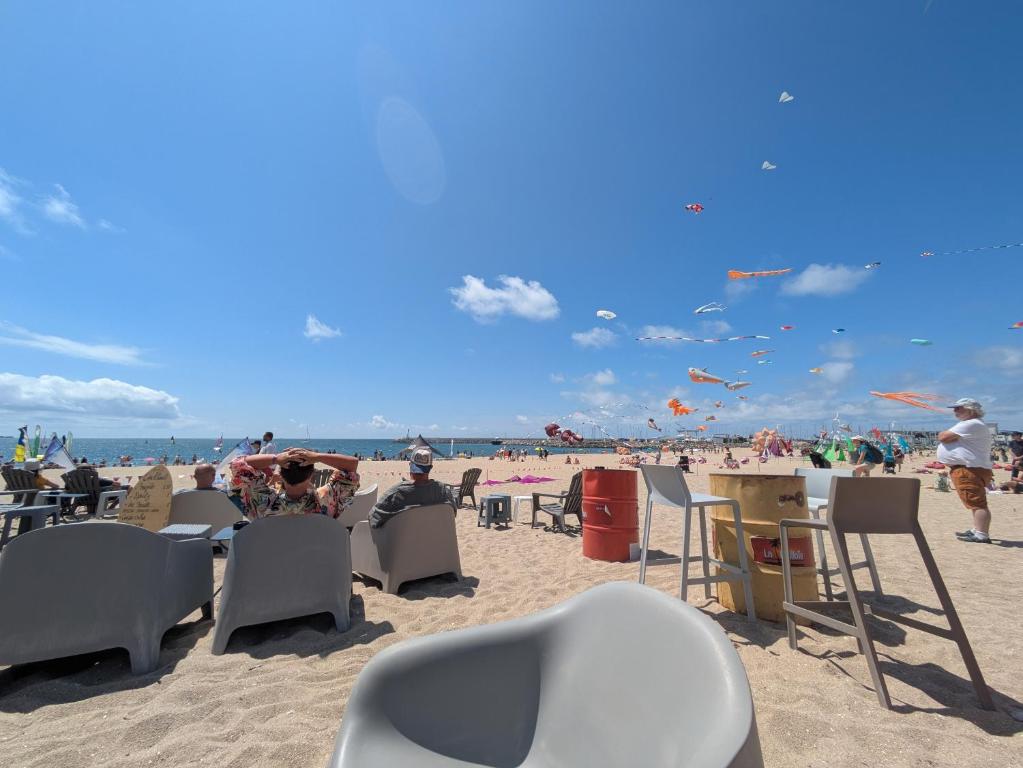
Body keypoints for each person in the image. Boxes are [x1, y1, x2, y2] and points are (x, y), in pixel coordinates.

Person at [228, 447, 359, 519]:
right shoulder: (326, 501)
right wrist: (317, 456)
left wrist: (276, 458)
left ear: (280, 476)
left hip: (272, 565)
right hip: (315, 564)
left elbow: (237, 464)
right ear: (311, 475)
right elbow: (352, 464)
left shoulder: (263, 503)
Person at [937, 398, 993, 544]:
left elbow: (943, 437)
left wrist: (947, 436)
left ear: (970, 409)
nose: (955, 411)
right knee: (974, 501)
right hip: (970, 467)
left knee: (977, 503)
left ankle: (981, 534)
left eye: (958, 408)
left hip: (969, 469)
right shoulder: (973, 424)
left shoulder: (971, 423)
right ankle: (977, 529)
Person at [369, 447, 454, 528]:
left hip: (403, 542)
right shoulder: (444, 492)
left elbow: (372, 518)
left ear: (410, 465)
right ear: (430, 468)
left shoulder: (396, 494)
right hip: (436, 541)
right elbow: (453, 513)